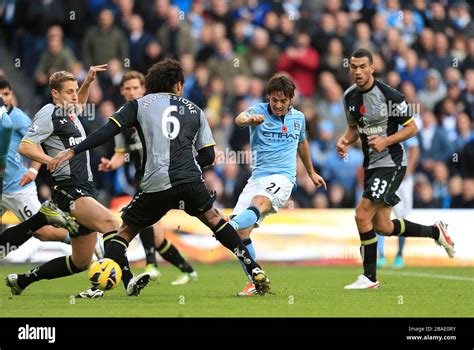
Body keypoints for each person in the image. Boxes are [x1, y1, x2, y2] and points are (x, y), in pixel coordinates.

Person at [48, 59, 271, 295]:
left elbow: (107, 131)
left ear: (151, 84)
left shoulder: (137, 105)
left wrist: (73, 150)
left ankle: (99, 287)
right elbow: (208, 154)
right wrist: (189, 167)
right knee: (214, 219)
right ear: (178, 86)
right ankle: (254, 268)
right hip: (190, 181)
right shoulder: (195, 109)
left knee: (123, 232)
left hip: (155, 184)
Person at [5, 66, 147, 299]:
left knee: (80, 261)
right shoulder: (49, 113)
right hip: (70, 189)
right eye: (68, 91)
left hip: (84, 188)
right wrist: (50, 159)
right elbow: (26, 145)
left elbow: (80, 102)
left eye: (74, 90)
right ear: (55, 94)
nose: (74, 95)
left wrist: (89, 80)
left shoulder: (69, 113)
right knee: (110, 223)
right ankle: (129, 281)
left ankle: (23, 280)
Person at [336, 48, 455, 289]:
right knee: (383, 226)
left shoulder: (389, 95)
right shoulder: (349, 96)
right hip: (371, 165)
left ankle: (369, 278)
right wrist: (345, 140)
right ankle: (436, 232)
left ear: (372, 68)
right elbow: (353, 128)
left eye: (362, 67)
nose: (357, 71)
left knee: (361, 214)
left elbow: (412, 128)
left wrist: (386, 141)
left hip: (392, 162)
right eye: (353, 67)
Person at [229, 74, 326, 296]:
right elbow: (239, 119)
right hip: (256, 178)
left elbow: (302, 143)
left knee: (258, 203)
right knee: (241, 235)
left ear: (291, 99)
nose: (279, 105)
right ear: (268, 98)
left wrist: (311, 172)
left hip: (283, 178)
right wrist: (249, 121)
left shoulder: (299, 118)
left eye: (283, 101)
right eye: (275, 100)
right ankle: (256, 280)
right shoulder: (258, 111)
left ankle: (228, 226)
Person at [98, 70, 198, 285]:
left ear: (144, 89)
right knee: (157, 235)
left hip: (166, 178)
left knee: (138, 220)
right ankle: (188, 270)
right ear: (122, 91)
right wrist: (111, 163)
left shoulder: (156, 112)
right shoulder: (122, 119)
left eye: (136, 88)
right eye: (128, 89)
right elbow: (120, 153)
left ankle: (151, 264)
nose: (132, 92)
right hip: (142, 180)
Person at [0, 75, 86, 254]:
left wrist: (33, 169)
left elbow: (34, 143)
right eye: (1, 95)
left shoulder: (17, 118)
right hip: (2, 186)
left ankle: (82, 239)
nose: (4, 99)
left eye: (7, 94)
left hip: (18, 186)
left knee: (43, 232)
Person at [377, 132, 420, 269]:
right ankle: (380, 255)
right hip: (387, 176)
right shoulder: (381, 126)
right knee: (379, 214)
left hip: (403, 180)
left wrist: (408, 171)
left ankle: (399, 255)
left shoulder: (403, 126)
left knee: (401, 216)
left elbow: (414, 150)